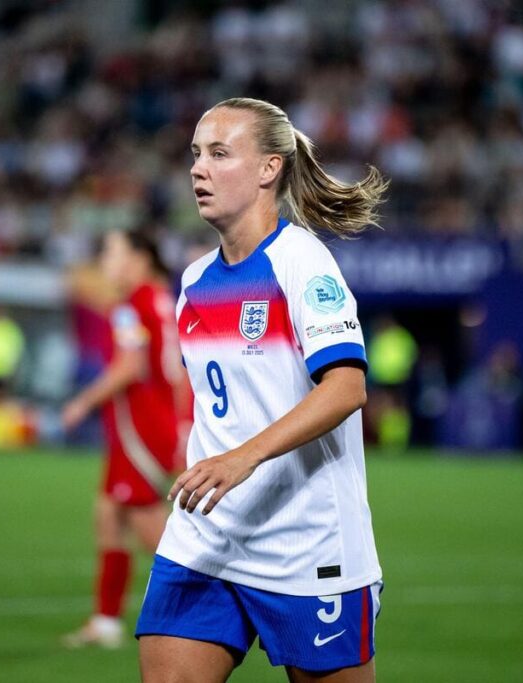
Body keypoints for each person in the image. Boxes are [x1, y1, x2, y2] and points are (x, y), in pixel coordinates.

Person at [136, 97, 389, 683]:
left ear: (267, 169)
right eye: (196, 154)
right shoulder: (195, 281)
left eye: (219, 154)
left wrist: (242, 457)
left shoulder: (303, 263)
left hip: (307, 544)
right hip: (206, 535)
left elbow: (347, 387)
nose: (198, 168)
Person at [61, 228, 187, 649]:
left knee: (151, 529)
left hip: (139, 428)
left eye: (112, 252)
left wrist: (83, 402)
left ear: (139, 258)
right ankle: (106, 621)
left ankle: (211, 602)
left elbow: (130, 366)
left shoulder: (132, 305)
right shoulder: (161, 297)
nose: (105, 262)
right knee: (108, 512)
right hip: (156, 421)